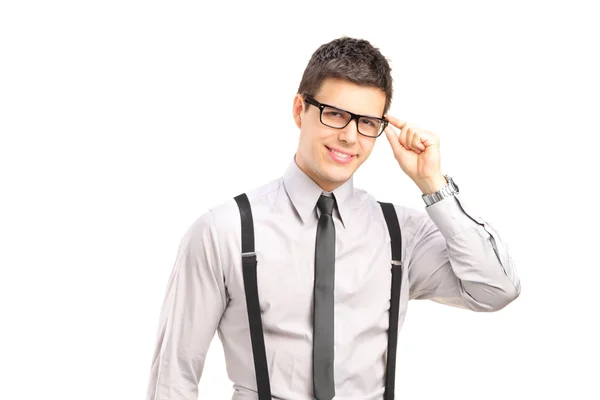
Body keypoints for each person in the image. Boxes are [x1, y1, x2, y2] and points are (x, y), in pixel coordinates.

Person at [145, 36, 521, 400]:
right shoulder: (223, 230)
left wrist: (432, 184)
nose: (350, 137)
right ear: (299, 110)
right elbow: (174, 375)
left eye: (367, 122)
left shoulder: (399, 234)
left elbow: (495, 289)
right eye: (336, 114)